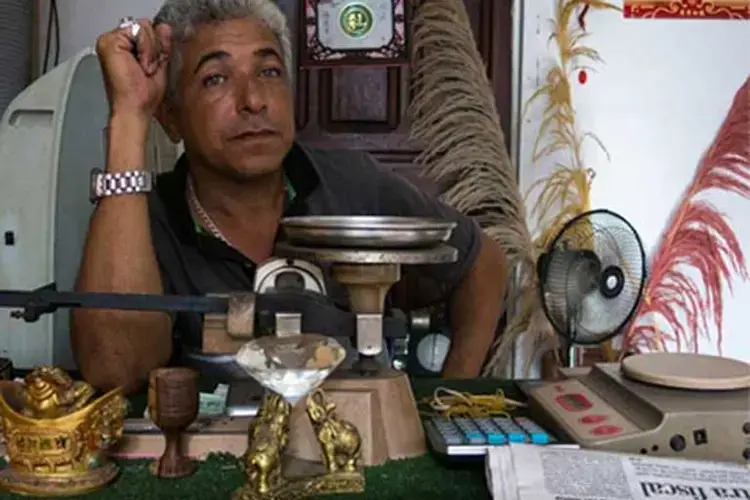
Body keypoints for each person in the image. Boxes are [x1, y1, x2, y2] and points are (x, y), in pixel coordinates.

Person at [72, 0, 509, 395]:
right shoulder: (143, 221)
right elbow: (116, 373)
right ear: (171, 118)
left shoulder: (353, 184)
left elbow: (484, 263)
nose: (254, 100)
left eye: (269, 71)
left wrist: (452, 394)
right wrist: (130, 115)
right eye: (215, 78)